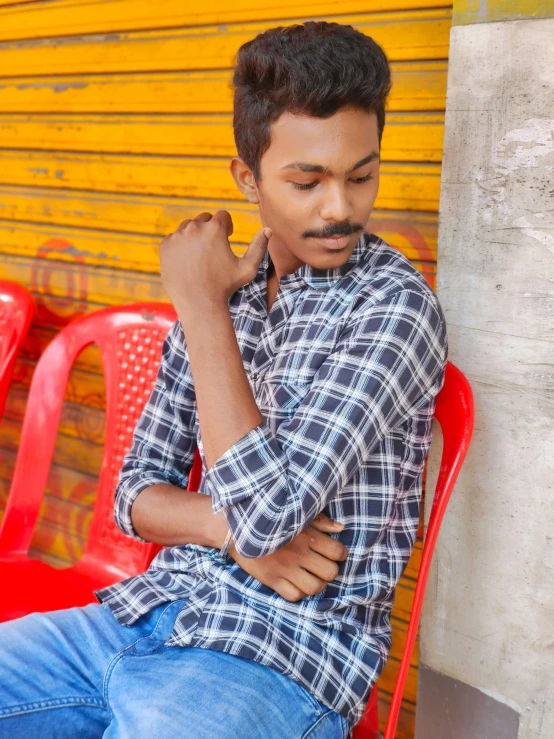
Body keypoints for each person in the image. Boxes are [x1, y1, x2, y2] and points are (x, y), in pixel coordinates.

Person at [0, 21, 448, 739]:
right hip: (146, 613)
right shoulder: (231, 289)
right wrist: (224, 531)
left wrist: (203, 310)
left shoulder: (394, 308)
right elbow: (133, 493)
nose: (340, 208)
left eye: (361, 175)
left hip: (284, 657)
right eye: (307, 180)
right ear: (248, 178)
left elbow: (270, 514)